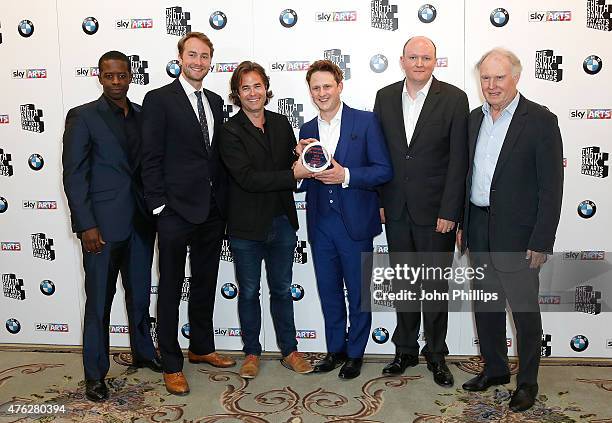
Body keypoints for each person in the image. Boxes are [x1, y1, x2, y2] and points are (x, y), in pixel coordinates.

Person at [458, 48, 563, 412]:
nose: (491, 85)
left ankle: (528, 381)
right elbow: (466, 176)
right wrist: (463, 224)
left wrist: (541, 239)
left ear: (516, 78)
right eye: (485, 78)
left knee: (523, 312)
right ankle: (495, 369)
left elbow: (552, 187)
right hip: (478, 226)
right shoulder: (474, 119)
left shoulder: (540, 120)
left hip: (519, 236)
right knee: (486, 307)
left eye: (499, 77)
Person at [62, 51, 161, 402]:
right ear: (99, 77)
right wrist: (86, 225)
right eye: (109, 76)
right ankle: (95, 374)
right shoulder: (84, 116)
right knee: (99, 302)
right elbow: (74, 176)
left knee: (139, 295)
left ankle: (144, 353)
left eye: (122, 75)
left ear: (130, 76)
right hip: (101, 228)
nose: (116, 82)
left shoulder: (142, 115)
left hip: (140, 223)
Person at [141, 32, 235, 396]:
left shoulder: (214, 100)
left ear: (211, 60)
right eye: (192, 55)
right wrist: (160, 205)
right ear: (180, 58)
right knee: (169, 286)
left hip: (212, 210)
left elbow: (213, 157)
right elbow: (150, 157)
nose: (198, 61)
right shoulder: (159, 99)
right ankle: (171, 362)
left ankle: (201, 346)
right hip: (175, 211)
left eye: (205, 55)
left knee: (206, 281)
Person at [373, 36, 469, 387]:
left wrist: (451, 210)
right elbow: (379, 154)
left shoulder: (455, 99)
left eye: (425, 58)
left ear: (435, 62)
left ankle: (437, 354)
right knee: (404, 285)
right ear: (402, 60)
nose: (419, 63)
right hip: (396, 208)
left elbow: (460, 160)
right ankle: (404, 351)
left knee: (433, 287)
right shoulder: (384, 97)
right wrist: (381, 200)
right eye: (412, 57)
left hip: (436, 213)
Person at [296, 60, 392, 379]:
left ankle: (355, 353)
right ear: (310, 92)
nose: (322, 93)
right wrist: (297, 161)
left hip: (355, 224)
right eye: (316, 88)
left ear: (340, 86)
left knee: (358, 292)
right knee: (329, 291)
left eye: (327, 86)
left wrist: (346, 175)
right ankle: (335, 350)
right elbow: (305, 175)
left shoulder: (365, 122)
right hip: (321, 224)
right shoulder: (307, 129)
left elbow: (383, 170)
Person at [219, 61, 314, 379]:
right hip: (246, 227)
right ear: (237, 93)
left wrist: (299, 154)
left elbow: (287, 162)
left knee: (283, 290)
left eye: (257, 85)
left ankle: (290, 350)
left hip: (282, 222)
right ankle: (251, 353)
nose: (252, 92)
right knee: (248, 292)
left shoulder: (281, 122)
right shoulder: (229, 131)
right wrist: (291, 173)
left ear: (266, 89)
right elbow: (248, 178)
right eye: (245, 87)